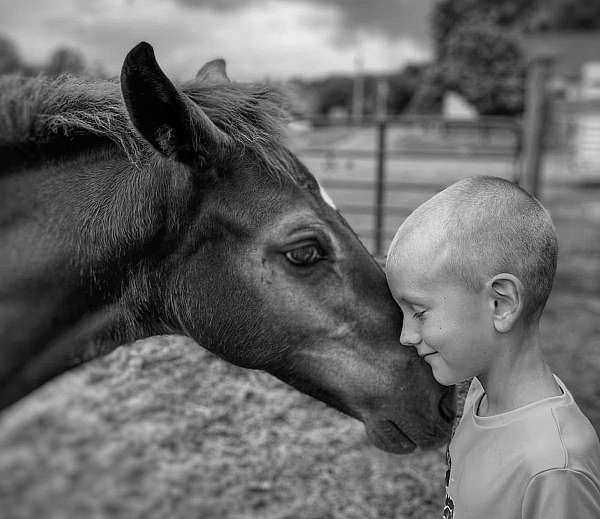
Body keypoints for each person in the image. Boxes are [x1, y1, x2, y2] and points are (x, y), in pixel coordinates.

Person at [385, 176, 600, 518]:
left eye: (419, 312)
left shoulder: (554, 467)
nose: (406, 335)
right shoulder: (478, 397)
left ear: (501, 304)